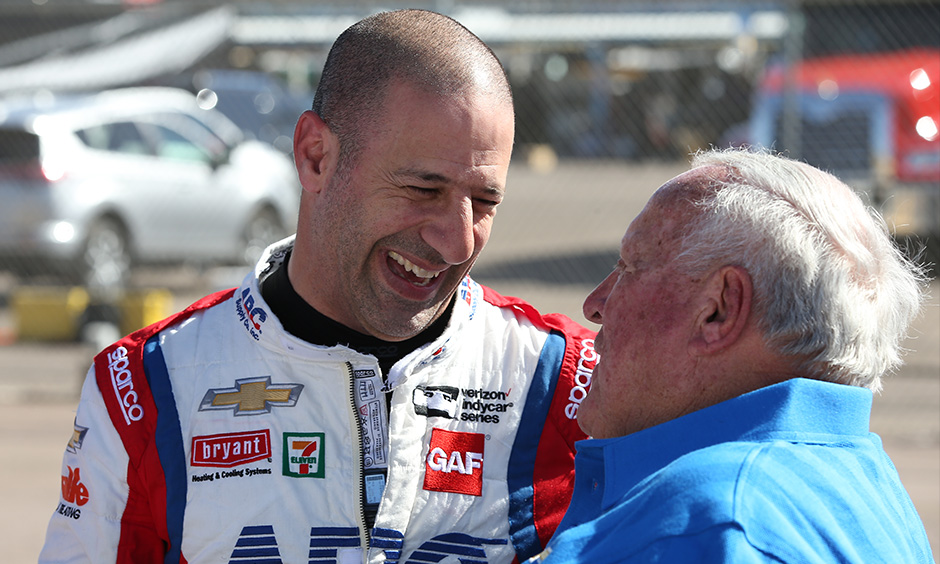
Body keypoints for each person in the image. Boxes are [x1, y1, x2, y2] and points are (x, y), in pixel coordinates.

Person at [40, 10, 597, 563]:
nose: (456, 242)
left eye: (485, 201)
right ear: (315, 157)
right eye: (423, 189)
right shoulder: (147, 387)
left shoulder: (572, 383)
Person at [530, 148, 934, 563]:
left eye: (629, 266)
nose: (595, 304)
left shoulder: (706, 524)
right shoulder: (865, 485)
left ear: (719, 310)